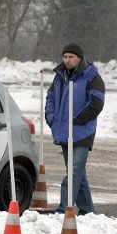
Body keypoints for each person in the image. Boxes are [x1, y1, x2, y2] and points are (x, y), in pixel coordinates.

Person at [45, 42, 105, 214]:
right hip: (64, 132)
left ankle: (64, 209)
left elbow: (97, 103)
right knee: (79, 174)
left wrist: (78, 120)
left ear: (79, 58)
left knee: (73, 173)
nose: (67, 60)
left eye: (71, 57)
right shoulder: (59, 76)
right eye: (65, 57)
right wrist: (52, 119)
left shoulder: (91, 76)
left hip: (82, 132)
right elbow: (50, 98)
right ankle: (87, 210)